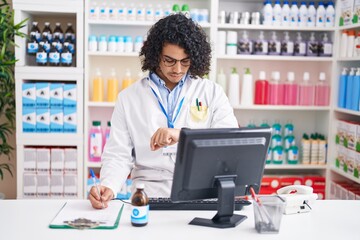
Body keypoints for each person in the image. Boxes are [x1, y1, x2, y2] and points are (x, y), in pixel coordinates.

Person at [89, 13, 238, 209]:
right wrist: (108, 185)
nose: (177, 69)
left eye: (185, 61)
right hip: (149, 195)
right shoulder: (129, 97)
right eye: (169, 60)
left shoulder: (211, 92)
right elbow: (118, 154)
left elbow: (230, 142)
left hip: (200, 194)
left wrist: (183, 135)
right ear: (156, 55)